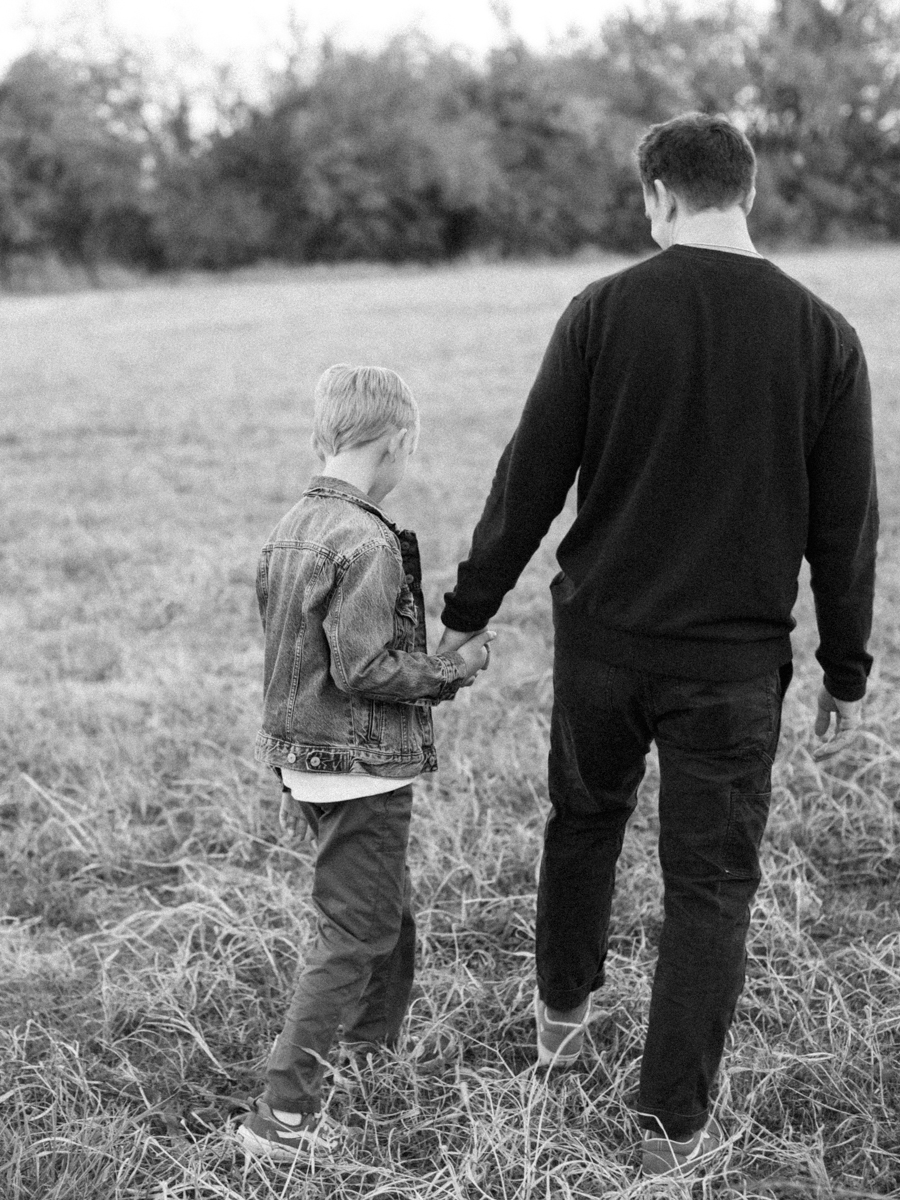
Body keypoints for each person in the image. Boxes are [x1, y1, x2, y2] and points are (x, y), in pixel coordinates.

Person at [438, 112, 878, 1179]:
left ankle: (559, 1023)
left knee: (582, 825)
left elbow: (528, 476)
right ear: (750, 195)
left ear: (659, 198)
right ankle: (672, 1118)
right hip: (731, 669)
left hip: (602, 646)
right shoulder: (825, 336)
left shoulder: (604, 311)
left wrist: (466, 610)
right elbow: (845, 525)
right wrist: (845, 668)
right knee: (710, 884)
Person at [239, 364, 494, 1163]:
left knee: (385, 905)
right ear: (397, 444)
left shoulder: (289, 527)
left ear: (325, 436)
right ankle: (282, 1119)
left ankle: (370, 1047)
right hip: (360, 767)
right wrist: (456, 668)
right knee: (356, 930)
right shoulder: (367, 539)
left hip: (305, 759)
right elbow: (365, 669)